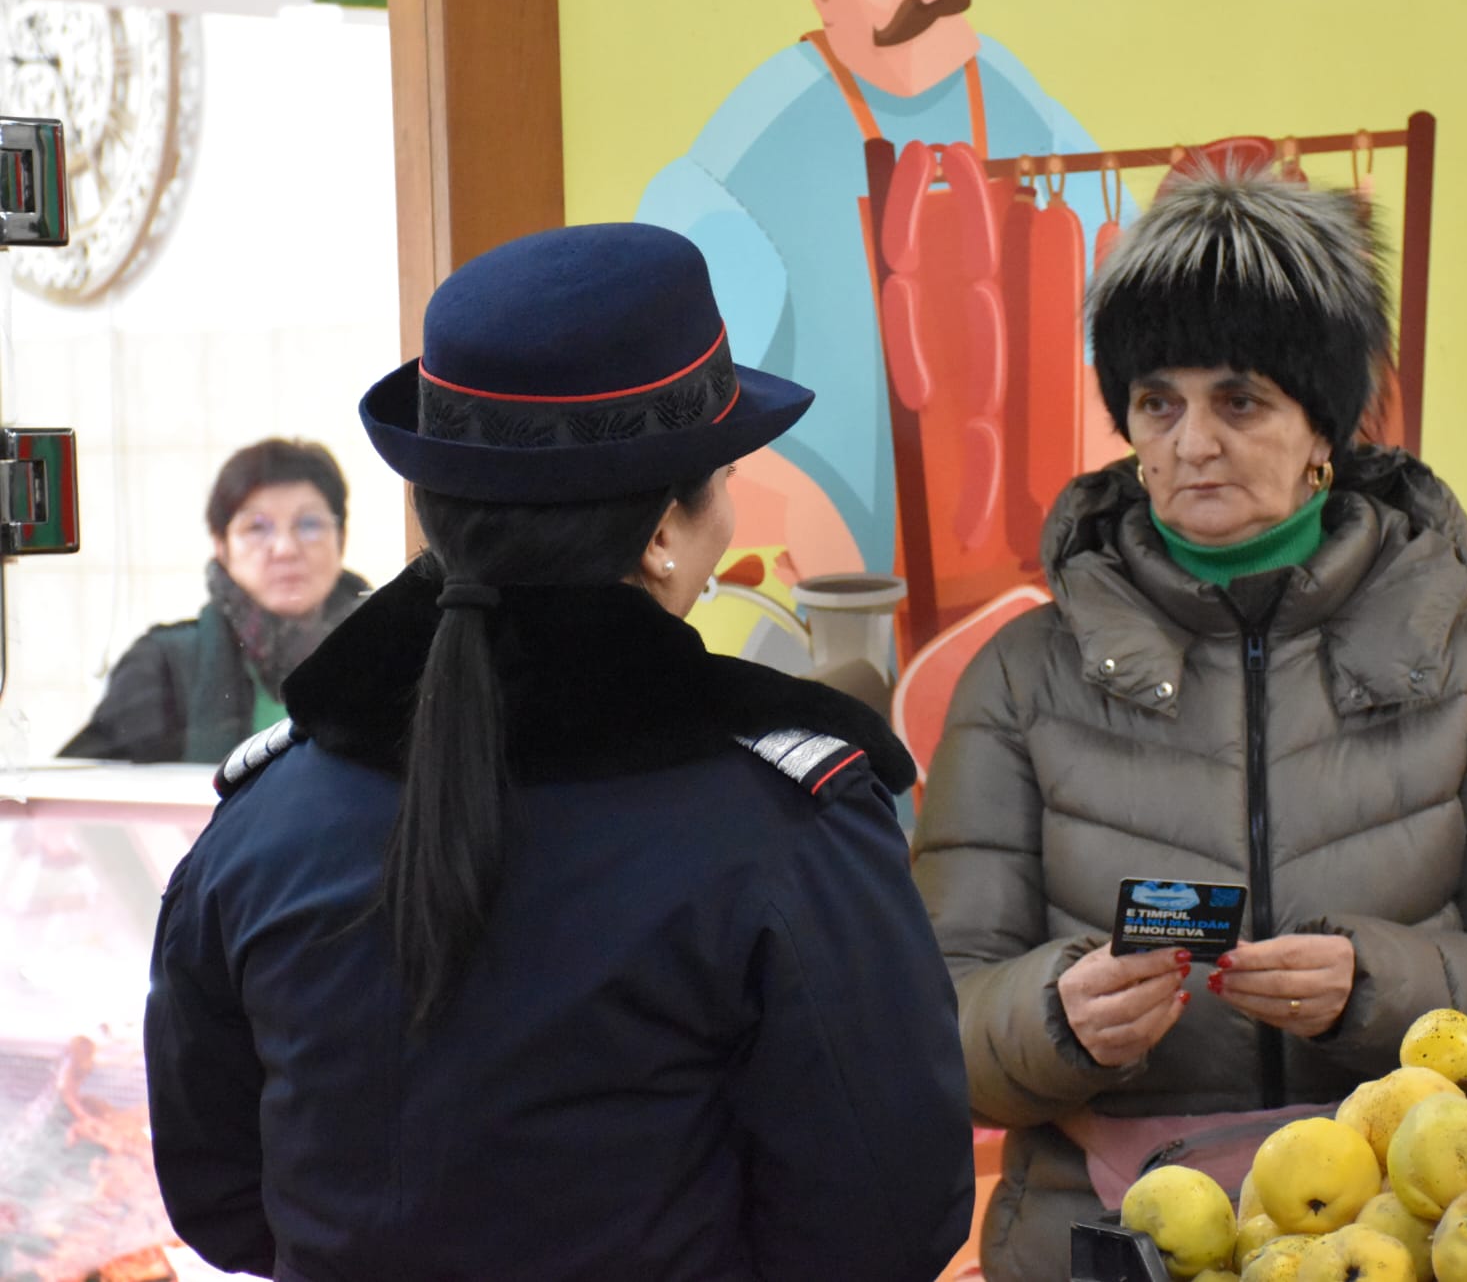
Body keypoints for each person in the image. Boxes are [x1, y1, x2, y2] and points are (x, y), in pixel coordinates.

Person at [143, 224, 975, 1281]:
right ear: (664, 531)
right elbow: (885, 1222)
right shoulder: (781, 825)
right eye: (725, 476)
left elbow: (223, 1200)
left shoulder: (267, 815)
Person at [911, 169, 1467, 1280]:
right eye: (1158, 403)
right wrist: (1055, 1019)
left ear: (1320, 429)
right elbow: (929, 1024)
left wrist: (1374, 988)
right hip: (1099, 1243)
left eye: (1239, 401)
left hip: (1407, 1235)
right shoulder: (1022, 677)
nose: (1192, 442)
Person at [636, 0, 1114, 574]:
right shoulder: (750, 151)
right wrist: (804, 504)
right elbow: (672, 415)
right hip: (849, 581)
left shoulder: (1020, 101)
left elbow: (1119, 336)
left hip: (1042, 565)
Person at [60, 438, 368, 764]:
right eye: (257, 528)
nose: (285, 549)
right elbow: (85, 787)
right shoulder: (162, 667)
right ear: (221, 546)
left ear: (341, 538)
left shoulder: (388, 653)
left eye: (309, 524)